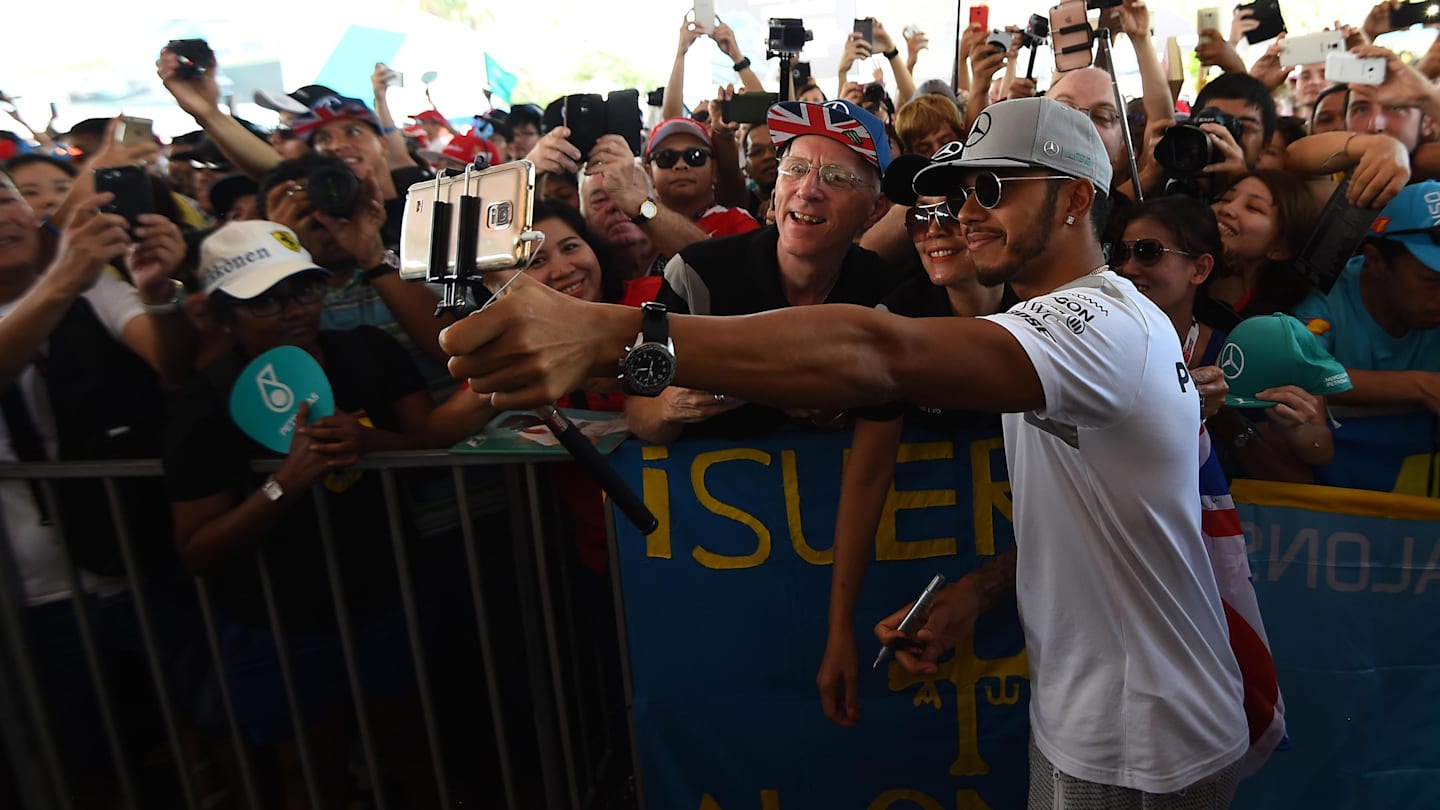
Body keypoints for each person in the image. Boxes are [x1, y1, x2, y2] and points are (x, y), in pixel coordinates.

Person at [441, 97, 1249, 807]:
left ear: (1076, 199)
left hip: (1145, 743)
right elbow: (1093, 518)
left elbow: (878, 353)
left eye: (994, 188)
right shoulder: (1052, 327)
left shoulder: (1097, 325)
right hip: (1096, 718)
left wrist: (613, 334)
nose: (967, 212)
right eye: (963, 189)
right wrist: (978, 589)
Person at [165, 221, 440, 809]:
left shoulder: (367, 348)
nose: (292, 311)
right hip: (276, 620)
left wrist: (369, 442)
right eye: (265, 301)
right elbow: (197, 547)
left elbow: (426, 442)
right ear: (224, 315)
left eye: (301, 291)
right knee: (312, 771)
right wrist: (283, 485)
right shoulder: (206, 401)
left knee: (411, 745)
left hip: (385, 594)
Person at [817, 152, 1014, 728]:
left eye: (950, 213)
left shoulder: (1044, 309)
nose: (933, 232)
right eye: (919, 218)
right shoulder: (904, 313)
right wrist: (839, 632)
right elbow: (868, 474)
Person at [625, 99, 900, 443]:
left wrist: (843, 405)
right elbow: (637, 411)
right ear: (775, 192)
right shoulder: (698, 276)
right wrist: (671, 406)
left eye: (836, 178)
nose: (809, 190)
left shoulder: (888, 295)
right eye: (796, 169)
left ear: (875, 209)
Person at [1292, 181, 1440, 494]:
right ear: (1375, 260)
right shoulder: (1324, 296)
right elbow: (1304, 369)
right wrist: (1422, 387)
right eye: (1430, 280)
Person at [1207, 171, 1321, 319]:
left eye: (1253, 208)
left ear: (1280, 248)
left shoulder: (1270, 325)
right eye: (1225, 199)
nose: (1227, 209)